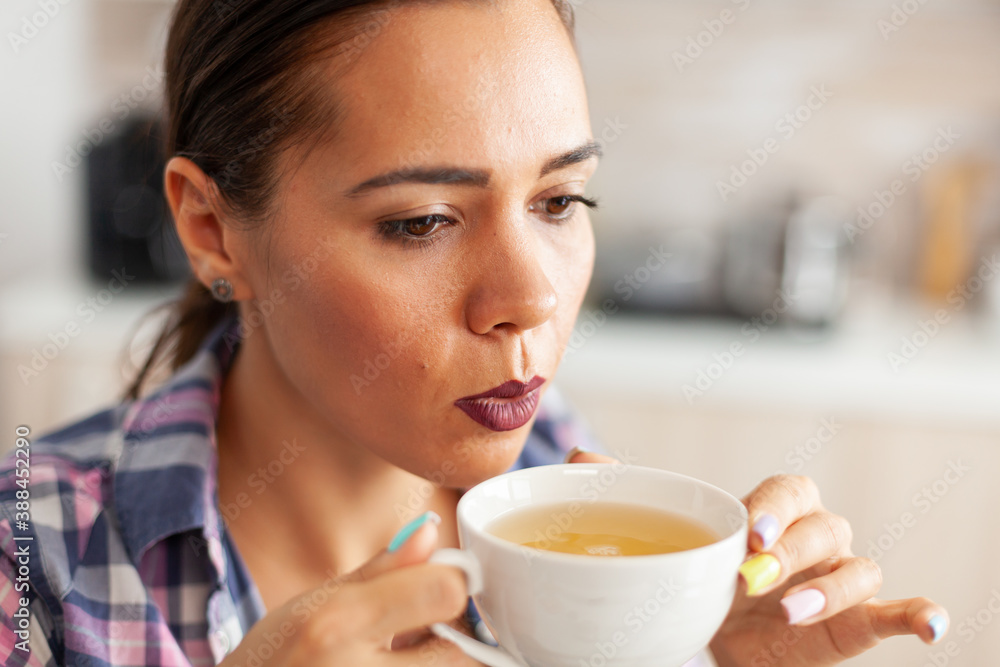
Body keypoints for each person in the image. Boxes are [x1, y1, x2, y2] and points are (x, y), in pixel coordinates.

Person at [0, 0, 948, 665]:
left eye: (560, 199)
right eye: (422, 221)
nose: (531, 300)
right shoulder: (30, 561)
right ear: (211, 230)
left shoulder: (583, 508)